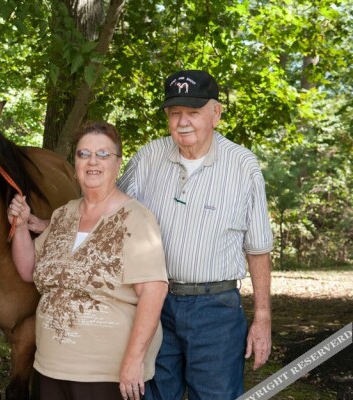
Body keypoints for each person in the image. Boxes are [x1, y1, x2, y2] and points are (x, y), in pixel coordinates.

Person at [118, 70, 273, 399]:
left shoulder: (243, 165)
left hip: (215, 309)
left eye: (193, 112)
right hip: (152, 306)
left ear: (215, 114)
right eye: (175, 113)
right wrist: (51, 225)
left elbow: (258, 248)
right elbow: (106, 211)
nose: (183, 122)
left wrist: (262, 318)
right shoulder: (148, 157)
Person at [7, 121, 168, 400]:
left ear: (118, 163)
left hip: (105, 374)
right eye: (84, 154)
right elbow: (27, 270)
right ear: (75, 163)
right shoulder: (63, 214)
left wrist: (133, 361)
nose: (93, 162)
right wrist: (20, 226)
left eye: (103, 154)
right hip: (49, 366)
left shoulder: (137, 219)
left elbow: (153, 293)